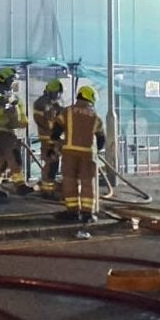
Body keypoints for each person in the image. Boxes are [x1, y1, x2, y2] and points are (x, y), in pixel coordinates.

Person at [51, 85, 105, 220]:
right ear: (91, 99)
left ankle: (72, 212)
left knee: (69, 181)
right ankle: (87, 213)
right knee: (87, 183)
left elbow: (56, 130)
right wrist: (98, 150)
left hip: (69, 153)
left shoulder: (67, 112)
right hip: (88, 154)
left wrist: (57, 143)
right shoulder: (95, 117)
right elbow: (101, 138)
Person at [0, 67, 32, 196]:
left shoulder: (12, 95)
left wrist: (22, 120)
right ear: (3, 78)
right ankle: (20, 185)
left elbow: (19, 109)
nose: (13, 81)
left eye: (14, 78)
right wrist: (3, 108)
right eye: (11, 78)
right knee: (13, 155)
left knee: (2, 159)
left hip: (8, 128)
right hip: (0, 128)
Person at [32, 78, 65, 197]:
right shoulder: (42, 103)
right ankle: (47, 190)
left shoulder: (53, 103)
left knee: (54, 163)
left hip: (53, 138)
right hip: (47, 138)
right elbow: (46, 122)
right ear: (51, 91)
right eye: (57, 93)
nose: (58, 96)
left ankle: (49, 187)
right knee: (51, 162)